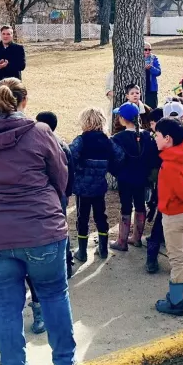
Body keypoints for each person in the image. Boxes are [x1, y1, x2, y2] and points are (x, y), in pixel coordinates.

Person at [0, 78, 75, 365]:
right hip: (42, 229)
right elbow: (60, 174)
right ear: (23, 101)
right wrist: (54, 203)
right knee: (54, 294)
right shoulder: (41, 132)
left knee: (4, 307)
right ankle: (64, 364)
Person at [153, 117, 183, 316]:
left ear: (168, 138)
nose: (154, 138)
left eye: (157, 135)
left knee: (176, 257)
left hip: (174, 214)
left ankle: (176, 301)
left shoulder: (170, 164)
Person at [70, 108, 119, 262]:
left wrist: (78, 168)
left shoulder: (81, 140)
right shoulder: (107, 140)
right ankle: (103, 249)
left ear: (84, 122)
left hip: (82, 187)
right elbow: (119, 155)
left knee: (82, 217)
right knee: (101, 216)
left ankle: (82, 251)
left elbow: (70, 156)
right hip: (99, 185)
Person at [110, 102, 157, 251]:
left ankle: (121, 241)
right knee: (140, 205)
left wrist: (116, 173)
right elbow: (152, 158)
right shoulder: (148, 135)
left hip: (125, 178)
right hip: (142, 177)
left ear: (123, 119)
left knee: (125, 206)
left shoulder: (118, 138)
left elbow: (114, 160)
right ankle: (136, 238)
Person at [36, 111, 75, 282]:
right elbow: (70, 171)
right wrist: (67, 192)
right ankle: (66, 265)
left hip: (45, 194)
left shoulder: (37, 145)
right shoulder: (62, 144)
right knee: (62, 229)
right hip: (60, 194)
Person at [0, 25, 27, 92]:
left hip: (14, 85)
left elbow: (22, 66)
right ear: (1, 35)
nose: (5, 36)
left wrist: (7, 65)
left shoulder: (19, 49)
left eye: (8, 34)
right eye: (3, 34)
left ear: (12, 35)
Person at [144, 43, 162, 109]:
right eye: (145, 49)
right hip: (141, 88)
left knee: (152, 108)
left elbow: (158, 72)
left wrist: (151, 68)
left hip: (152, 89)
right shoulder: (137, 59)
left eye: (149, 49)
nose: (148, 51)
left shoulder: (154, 58)